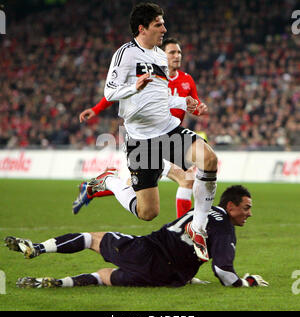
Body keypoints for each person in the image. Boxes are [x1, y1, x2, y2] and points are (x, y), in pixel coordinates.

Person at [76, 2, 218, 262]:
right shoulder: (126, 54)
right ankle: (109, 180)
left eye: (163, 23)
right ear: (142, 28)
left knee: (209, 159)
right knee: (147, 212)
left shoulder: (159, 56)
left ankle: (197, 227)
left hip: (167, 130)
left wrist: (185, 103)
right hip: (141, 142)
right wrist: (134, 87)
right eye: (158, 24)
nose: (164, 28)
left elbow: (161, 96)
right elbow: (110, 91)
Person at [5, 185, 269, 289]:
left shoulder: (204, 210)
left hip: (149, 251)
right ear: (231, 206)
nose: (250, 214)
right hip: (168, 278)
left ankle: (37, 248)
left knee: (92, 238)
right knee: (105, 276)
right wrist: (248, 283)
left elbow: (221, 271)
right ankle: (54, 283)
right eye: (247, 208)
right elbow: (224, 272)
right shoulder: (224, 227)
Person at [73, 37, 206, 220]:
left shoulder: (187, 80)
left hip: (170, 136)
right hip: (148, 138)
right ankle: (182, 231)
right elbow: (117, 93)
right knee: (186, 178)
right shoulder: (152, 76)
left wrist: (199, 109)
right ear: (161, 55)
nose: (177, 56)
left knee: (138, 190)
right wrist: (96, 110)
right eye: (172, 52)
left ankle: (94, 187)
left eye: (179, 52)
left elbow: (194, 105)